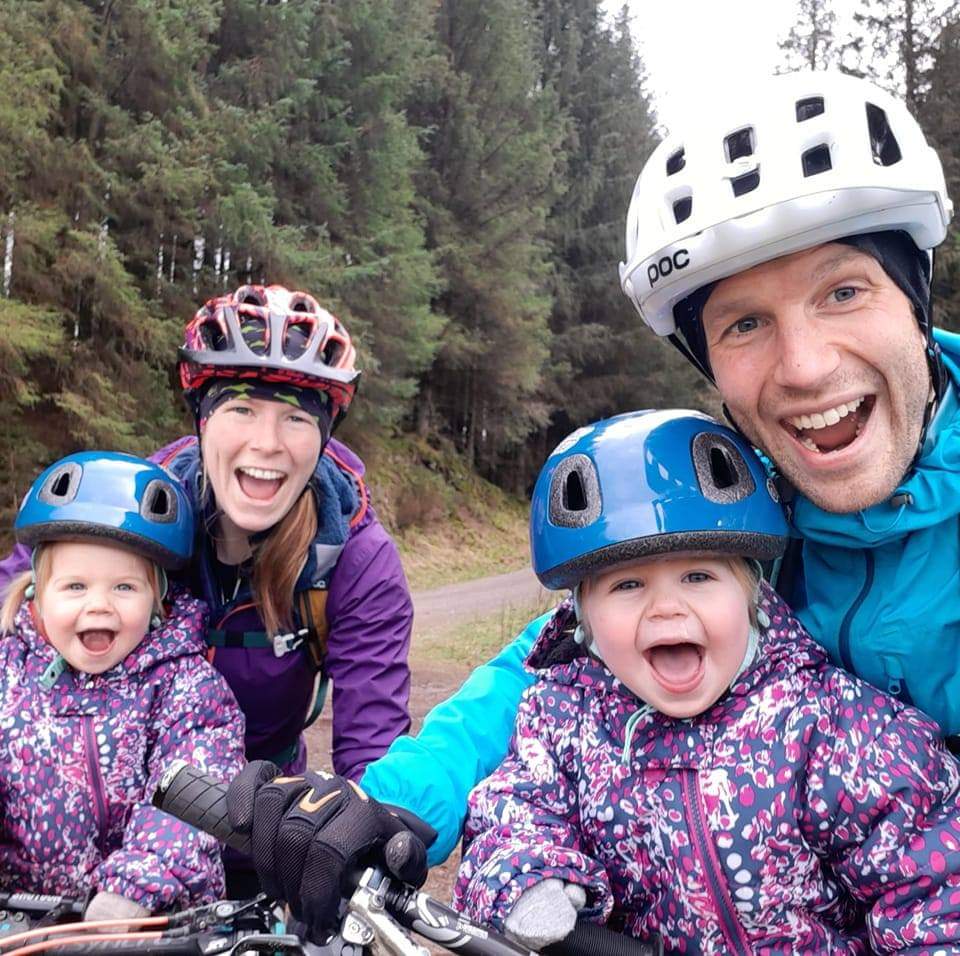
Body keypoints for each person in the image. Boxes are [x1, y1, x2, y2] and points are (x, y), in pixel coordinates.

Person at [219, 69, 960, 938]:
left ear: (915, 299)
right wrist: (381, 809)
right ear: (709, 366)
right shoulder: (749, 510)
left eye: (843, 291)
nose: (802, 366)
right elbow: (554, 666)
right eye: (744, 324)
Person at [455, 410, 960, 953]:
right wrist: (528, 878)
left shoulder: (833, 727)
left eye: (698, 576)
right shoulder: (563, 721)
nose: (666, 608)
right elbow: (514, 809)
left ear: (753, 598)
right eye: (627, 585)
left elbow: (933, 880)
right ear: (583, 620)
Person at [0, 283, 415, 896]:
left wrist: (355, 838)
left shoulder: (356, 560)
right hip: (94, 849)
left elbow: (371, 754)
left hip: (261, 842)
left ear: (324, 437)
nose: (267, 444)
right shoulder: (134, 512)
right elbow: (25, 594)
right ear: (202, 419)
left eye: (297, 418)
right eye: (241, 410)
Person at [0, 452, 246, 921]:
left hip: (155, 924)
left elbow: (196, 792)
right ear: (36, 594)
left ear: (157, 599)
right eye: (75, 587)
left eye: (124, 588)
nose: (99, 606)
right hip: (25, 922)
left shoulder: (186, 687)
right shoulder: (8, 673)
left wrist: (133, 889)